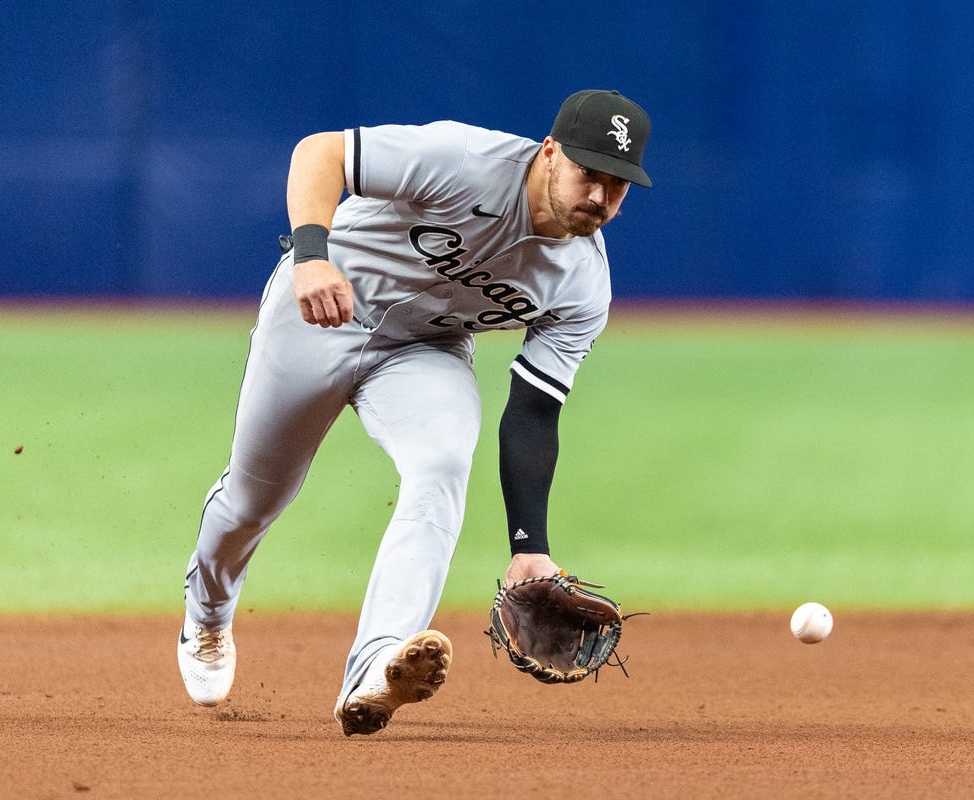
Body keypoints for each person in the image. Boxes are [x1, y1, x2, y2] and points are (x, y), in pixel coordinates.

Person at [176, 89, 652, 736]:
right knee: (253, 502)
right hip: (320, 311)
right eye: (588, 173)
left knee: (442, 463)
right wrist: (312, 257)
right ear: (549, 154)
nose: (599, 196)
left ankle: (375, 668)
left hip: (424, 351)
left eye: (617, 186)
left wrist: (529, 550)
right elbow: (320, 154)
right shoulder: (464, 159)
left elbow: (535, 413)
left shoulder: (583, 284)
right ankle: (207, 615)